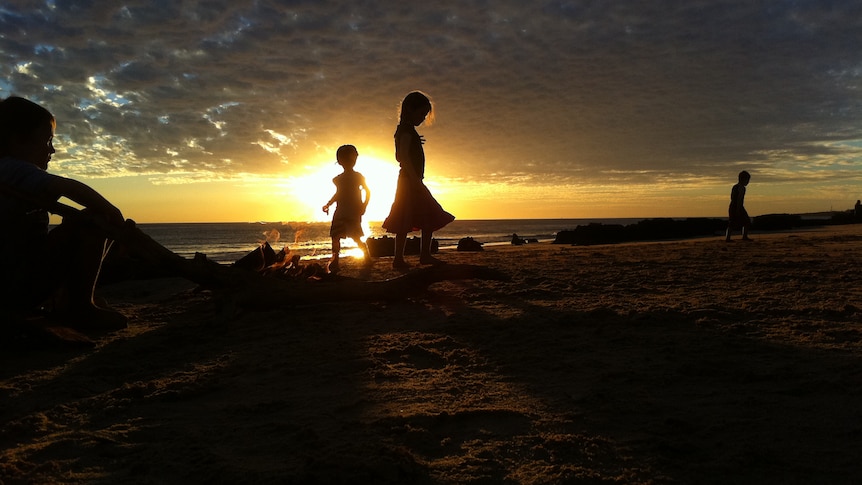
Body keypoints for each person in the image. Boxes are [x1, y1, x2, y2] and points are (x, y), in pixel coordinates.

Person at [0, 96, 127, 331]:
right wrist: (112, 212)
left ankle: (70, 299)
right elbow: (69, 187)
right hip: (14, 284)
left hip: (14, 279)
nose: (53, 150)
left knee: (78, 223)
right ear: (17, 140)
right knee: (93, 222)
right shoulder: (12, 167)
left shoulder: (13, 175)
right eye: (47, 141)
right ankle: (80, 308)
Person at [381, 91, 455, 269]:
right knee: (411, 216)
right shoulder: (406, 130)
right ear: (409, 110)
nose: (422, 119)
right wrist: (415, 180)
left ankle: (420, 255)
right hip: (410, 181)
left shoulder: (407, 130)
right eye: (421, 114)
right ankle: (405, 258)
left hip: (411, 180)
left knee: (421, 215)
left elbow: (404, 150)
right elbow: (402, 156)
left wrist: (415, 141)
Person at [322, 144, 371, 274]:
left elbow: (368, 191)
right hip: (341, 210)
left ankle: (366, 256)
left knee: (355, 235)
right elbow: (339, 194)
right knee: (335, 235)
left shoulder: (358, 177)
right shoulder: (338, 179)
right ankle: (335, 260)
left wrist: (364, 206)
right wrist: (329, 204)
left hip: (353, 210)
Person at [726, 170, 752, 242]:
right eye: (747, 180)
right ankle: (744, 236)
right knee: (746, 221)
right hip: (738, 206)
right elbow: (739, 199)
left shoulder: (734, 186)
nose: (748, 182)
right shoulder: (742, 188)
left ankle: (728, 238)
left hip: (732, 205)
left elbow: (732, 197)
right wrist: (738, 209)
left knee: (732, 222)